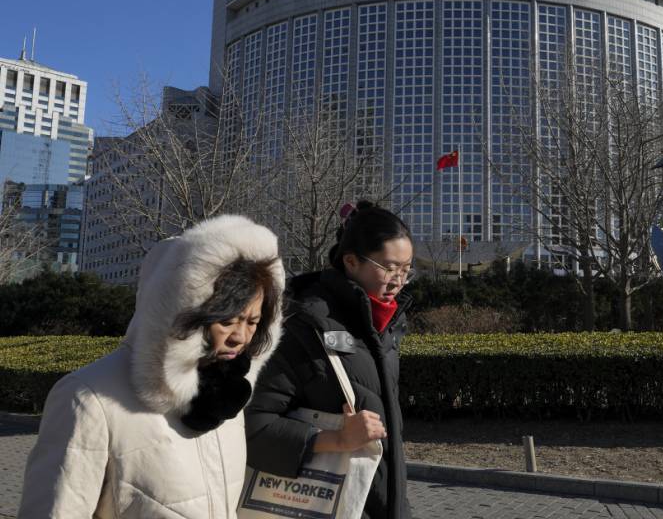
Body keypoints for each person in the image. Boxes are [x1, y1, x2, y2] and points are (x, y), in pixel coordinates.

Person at [19, 214, 285, 518]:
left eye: (253, 321)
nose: (240, 336)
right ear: (180, 312)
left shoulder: (227, 397)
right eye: (226, 320)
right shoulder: (88, 399)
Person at [246, 200, 415, 519]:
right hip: (323, 503)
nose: (398, 281)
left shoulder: (388, 327)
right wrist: (336, 438)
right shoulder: (303, 326)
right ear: (351, 261)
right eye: (390, 268)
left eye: (406, 270)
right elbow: (253, 428)